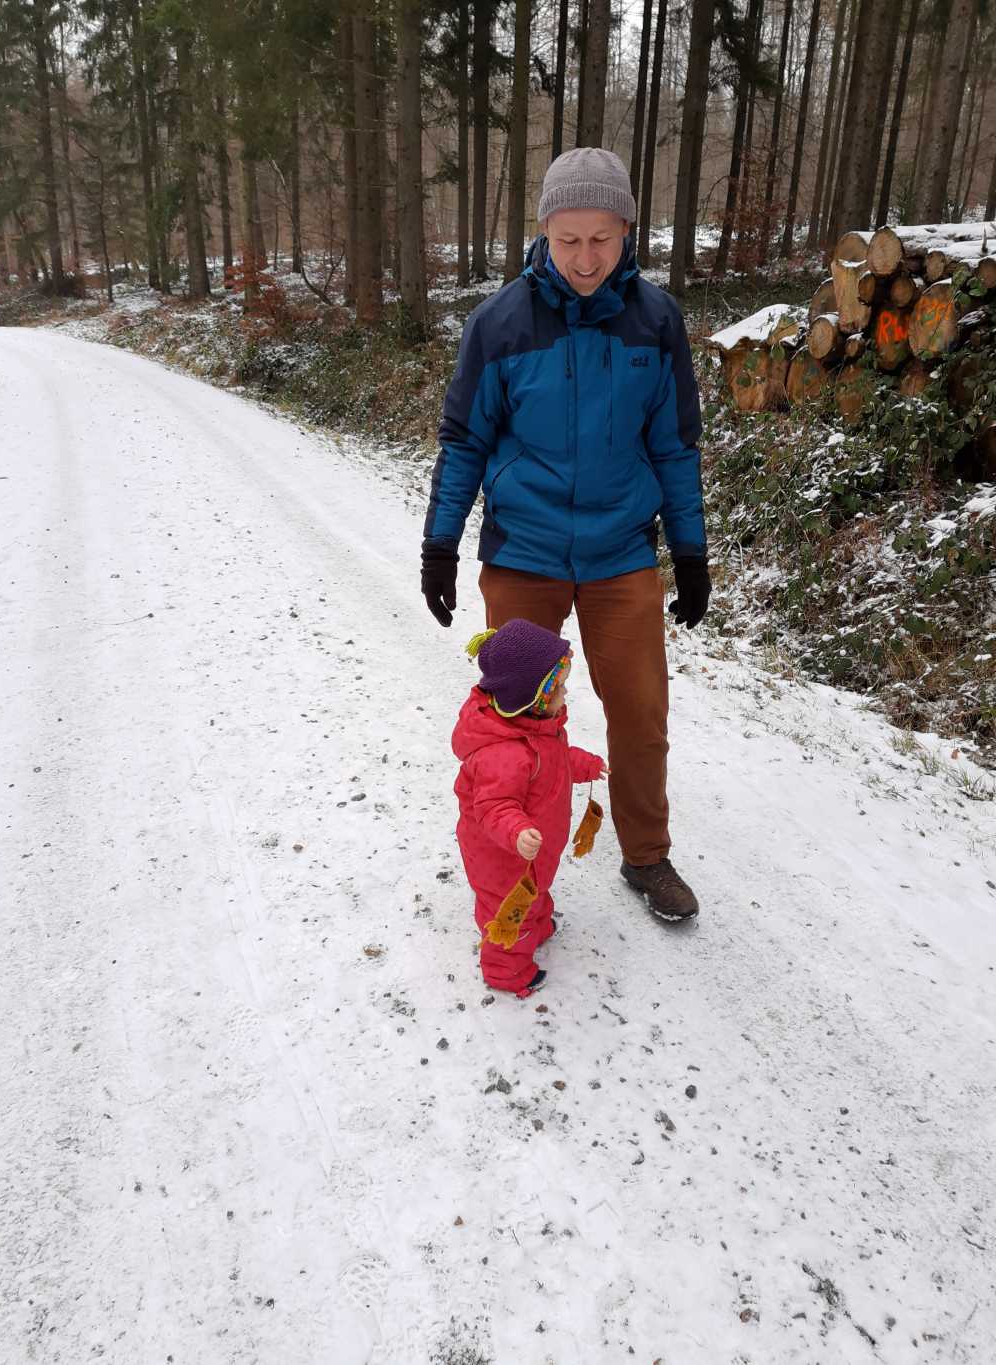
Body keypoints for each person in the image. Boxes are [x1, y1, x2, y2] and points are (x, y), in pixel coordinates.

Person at [422, 146, 710, 922]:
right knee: (515, 721)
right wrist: (440, 545)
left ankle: (646, 855)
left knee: (641, 714)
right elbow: (465, 443)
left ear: (626, 233)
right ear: (544, 233)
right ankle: (514, 850)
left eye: (602, 238)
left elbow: (674, 447)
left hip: (620, 553)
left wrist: (689, 551)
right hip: (524, 554)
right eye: (569, 239)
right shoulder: (501, 324)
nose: (585, 258)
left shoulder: (657, 323)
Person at [452, 618, 607, 998]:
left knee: (535, 890)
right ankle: (506, 970)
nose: (566, 694)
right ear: (533, 698)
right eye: (560, 688)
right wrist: (516, 830)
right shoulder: (502, 752)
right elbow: (493, 805)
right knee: (507, 911)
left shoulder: (538, 728)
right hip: (502, 856)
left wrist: (581, 764)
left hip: (533, 852)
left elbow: (552, 761)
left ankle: (536, 925)